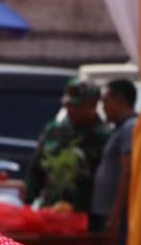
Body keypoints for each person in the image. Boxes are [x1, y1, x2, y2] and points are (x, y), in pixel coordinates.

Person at [24, 78, 110, 219]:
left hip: (85, 217)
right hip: (50, 212)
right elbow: (36, 169)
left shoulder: (103, 137)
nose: (70, 110)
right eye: (68, 105)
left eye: (77, 106)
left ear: (93, 104)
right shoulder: (54, 130)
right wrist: (28, 201)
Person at [90, 79, 138, 245]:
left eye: (106, 101)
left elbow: (127, 173)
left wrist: (116, 215)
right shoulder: (119, 128)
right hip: (107, 211)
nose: (103, 108)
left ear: (120, 100)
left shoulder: (130, 127)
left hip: (116, 214)